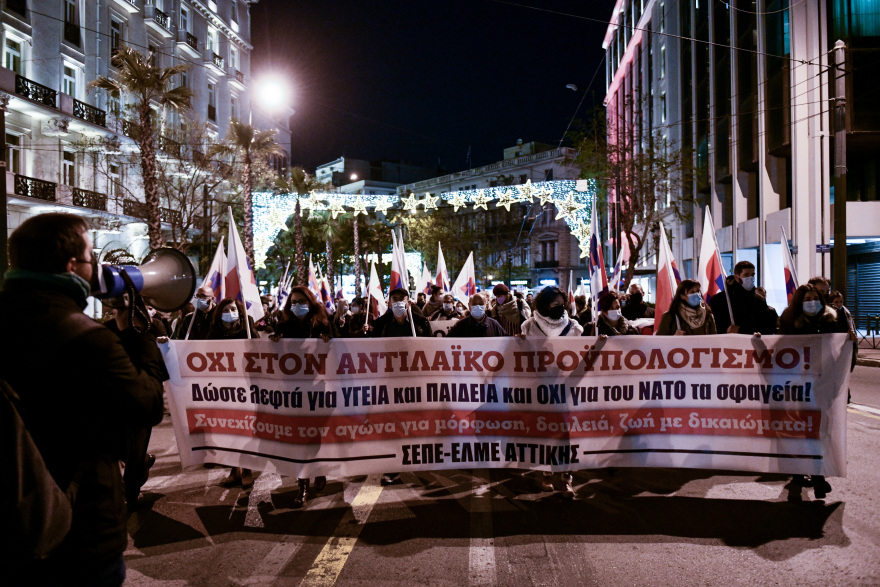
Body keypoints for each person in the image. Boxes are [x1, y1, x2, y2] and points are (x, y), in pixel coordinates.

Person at [1, 213, 166, 585]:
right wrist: (136, 333)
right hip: (79, 527)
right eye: (92, 258)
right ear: (73, 266)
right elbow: (147, 405)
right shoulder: (88, 339)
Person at [778, 284, 855, 499]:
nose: (812, 301)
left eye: (815, 297)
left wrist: (850, 342)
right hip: (796, 385)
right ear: (799, 302)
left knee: (819, 431)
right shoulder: (788, 320)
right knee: (799, 430)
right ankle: (799, 474)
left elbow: (840, 349)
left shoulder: (832, 319)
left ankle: (818, 475)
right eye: (807, 298)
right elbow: (778, 347)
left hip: (822, 384)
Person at [518, 286, 582, 498]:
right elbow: (522, 356)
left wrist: (599, 344)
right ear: (545, 305)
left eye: (561, 303)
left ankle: (566, 479)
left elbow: (581, 354)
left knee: (565, 434)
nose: (559, 307)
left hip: (566, 388)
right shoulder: (529, 326)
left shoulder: (573, 327)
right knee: (544, 431)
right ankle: (545, 472)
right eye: (555, 303)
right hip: (540, 388)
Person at [273, 286, 332, 506]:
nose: (298, 306)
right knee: (298, 438)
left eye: (302, 301)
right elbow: (273, 355)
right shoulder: (282, 326)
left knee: (314, 435)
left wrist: (328, 342)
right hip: (292, 391)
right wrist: (274, 342)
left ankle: (319, 468)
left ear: (311, 302)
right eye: (294, 302)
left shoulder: (324, 325)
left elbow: (339, 352)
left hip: (317, 389)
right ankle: (303, 484)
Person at [365, 288, 431, 485]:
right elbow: (371, 350)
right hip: (390, 381)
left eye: (402, 299)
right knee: (393, 424)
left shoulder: (420, 323)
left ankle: (417, 460)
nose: (398, 303)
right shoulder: (381, 324)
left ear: (409, 302)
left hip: (415, 381)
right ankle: (392, 468)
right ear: (388, 302)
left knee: (416, 422)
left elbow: (430, 349)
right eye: (394, 299)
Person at [207, 298, 258, 490]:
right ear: (220, 313)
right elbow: (205, 351)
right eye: (226, 309)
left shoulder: (247, 324)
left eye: (234, 308)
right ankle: (234, 469)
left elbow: (258, 347)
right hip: (224, 386)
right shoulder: (215, 329)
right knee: (229, 428)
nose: (231, 311)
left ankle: (247, 469)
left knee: (245, 427)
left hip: (245, 384)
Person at [710, 261, 776, 335]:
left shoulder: (759, 300)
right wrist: (726, 330)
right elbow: (713, 328)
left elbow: (766, 327)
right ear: (736, 277)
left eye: (752, 275)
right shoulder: (720, 300)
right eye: (746, 275)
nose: (750, 278)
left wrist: (741, 330)